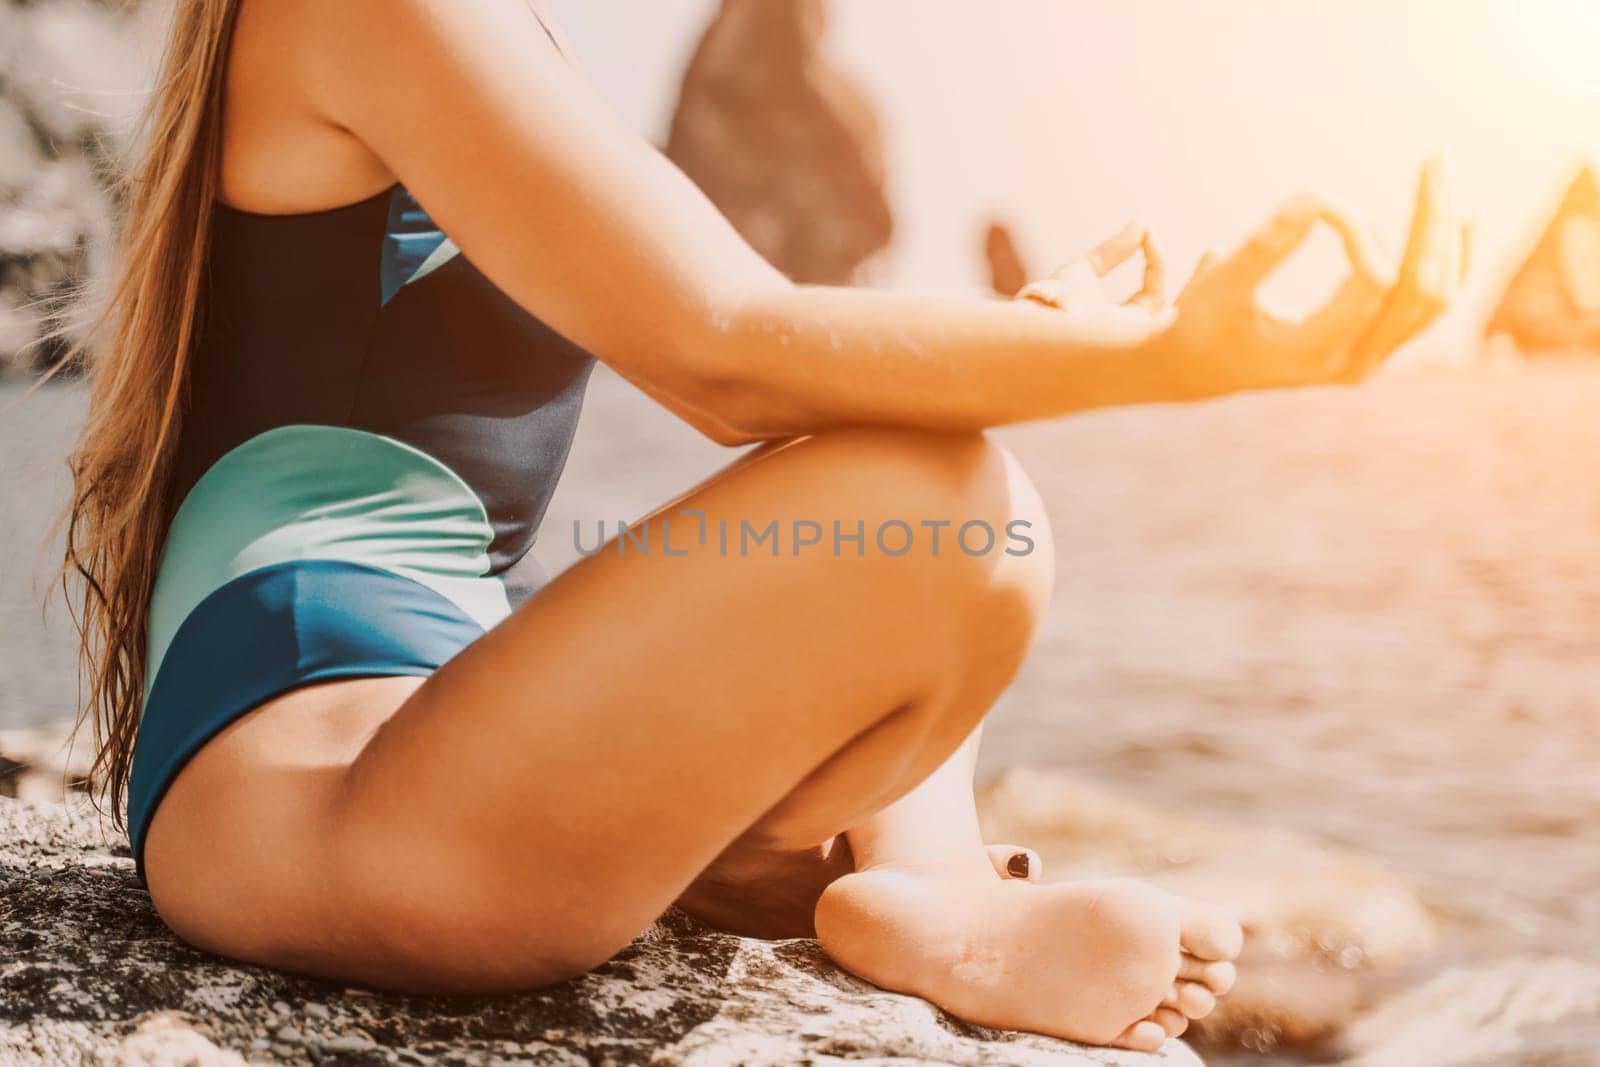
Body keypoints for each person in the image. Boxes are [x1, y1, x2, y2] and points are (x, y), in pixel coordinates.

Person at [59, 0, 1463, 1051]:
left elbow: (780, 367)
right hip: (327, 812)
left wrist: (1022, 343)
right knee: (938, 508)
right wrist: (1181, 355)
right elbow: (728, 352)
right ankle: (928, 888)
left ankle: (909, 881)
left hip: (396, 757)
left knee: (897, 475)